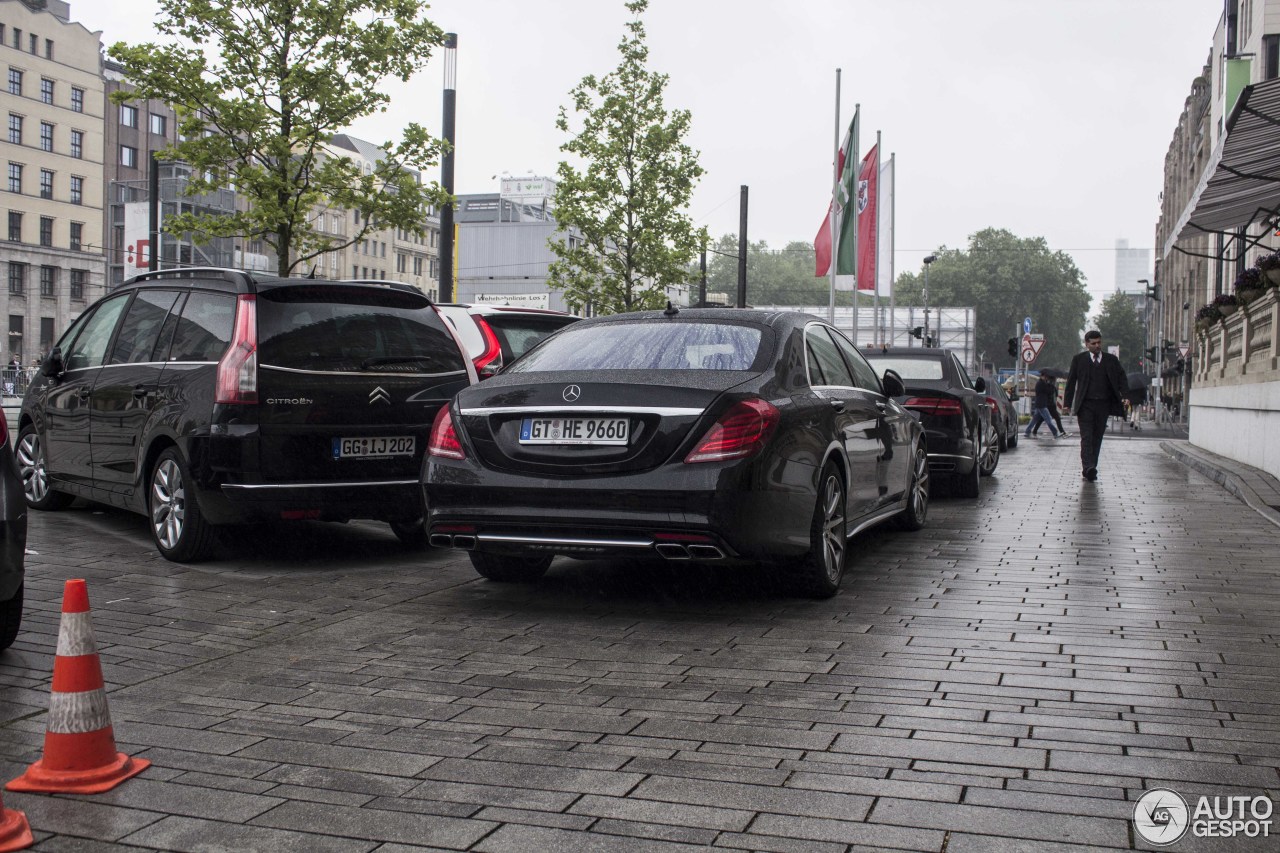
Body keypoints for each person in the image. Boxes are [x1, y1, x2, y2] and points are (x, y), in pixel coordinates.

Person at [1063, 330, 1129, 482]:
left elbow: (1121, 378)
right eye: (1093, 343)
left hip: (1103, 405)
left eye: (1099, 342)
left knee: (1097, 437)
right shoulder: (1078, 360)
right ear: (1086, 344)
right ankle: (1088, 467)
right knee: (1086, 437)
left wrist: (1125, 396)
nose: (1097, 346)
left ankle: (1092, 467)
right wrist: (1067, 403)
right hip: (1085, 405)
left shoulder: (1111, 360)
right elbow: (1071, 382)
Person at [1024, 371, 1061, 439]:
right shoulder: (1041, 383)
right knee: (1048, 419)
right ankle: (1055, 432)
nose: (1046, 378)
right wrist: (1051, 385)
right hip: (1042, 405)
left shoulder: (1042, 383)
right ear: (1042, 376)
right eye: (1045, 376)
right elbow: (1048, 391)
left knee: (1034, 420)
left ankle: (1027, 431)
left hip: (1040, 404)